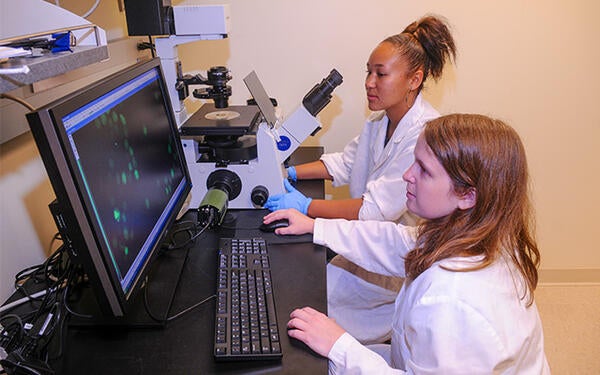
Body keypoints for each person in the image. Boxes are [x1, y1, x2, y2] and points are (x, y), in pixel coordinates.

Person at [263, 114, 550, 373]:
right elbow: (392, 241)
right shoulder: (475, 231)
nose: (407, 175)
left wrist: (338, 345)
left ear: (468, 195)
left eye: (424, 170)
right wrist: (315, 227)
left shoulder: (452, 302)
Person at [266, 15, 458, 344]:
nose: (369, 82)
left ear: (415, 79)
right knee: (300, 283)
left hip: (392, 259)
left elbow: (372, 211)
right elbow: (346, 163)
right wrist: (287, 172)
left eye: (381, 74)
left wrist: (307, 206)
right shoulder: (378, 121)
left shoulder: (423, 135)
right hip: (365, 242)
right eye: (368, 72)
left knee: (303, 306)